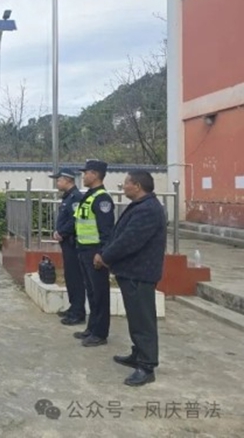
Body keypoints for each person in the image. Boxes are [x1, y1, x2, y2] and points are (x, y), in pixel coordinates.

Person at [96, 170, 167, 387]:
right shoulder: (141, 205)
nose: (123, 186)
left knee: (143, 320)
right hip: (132, 272)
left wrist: (105, 257)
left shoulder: (148, 209)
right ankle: (138, 354)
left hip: (140, 273)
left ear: (137, 186)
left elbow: (129, 240)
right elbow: (121, 235)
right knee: (136, 318)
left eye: (126, 183)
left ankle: (147, 366)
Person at [73, 159, 115, 347]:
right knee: (91, 293)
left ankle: (100, 333)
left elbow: (107, 230)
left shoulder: (102, 199)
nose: (83, 176)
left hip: (95, 252)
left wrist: (102, 253)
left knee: (100, 294)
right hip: (84, 249)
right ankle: (92, 328)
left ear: (96, 175)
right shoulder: (90, 195)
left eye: (86, 173)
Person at [49, 168, 86, 326]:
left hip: (73, 243)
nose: (57, 183)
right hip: (67, 242)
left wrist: (62, 232)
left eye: (59, 180)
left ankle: (78, 312)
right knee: (70, 277)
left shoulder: (76, 197)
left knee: (76, 278)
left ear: (68, 180)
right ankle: (73, 308)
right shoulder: (68, 197)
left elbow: (75, 220)